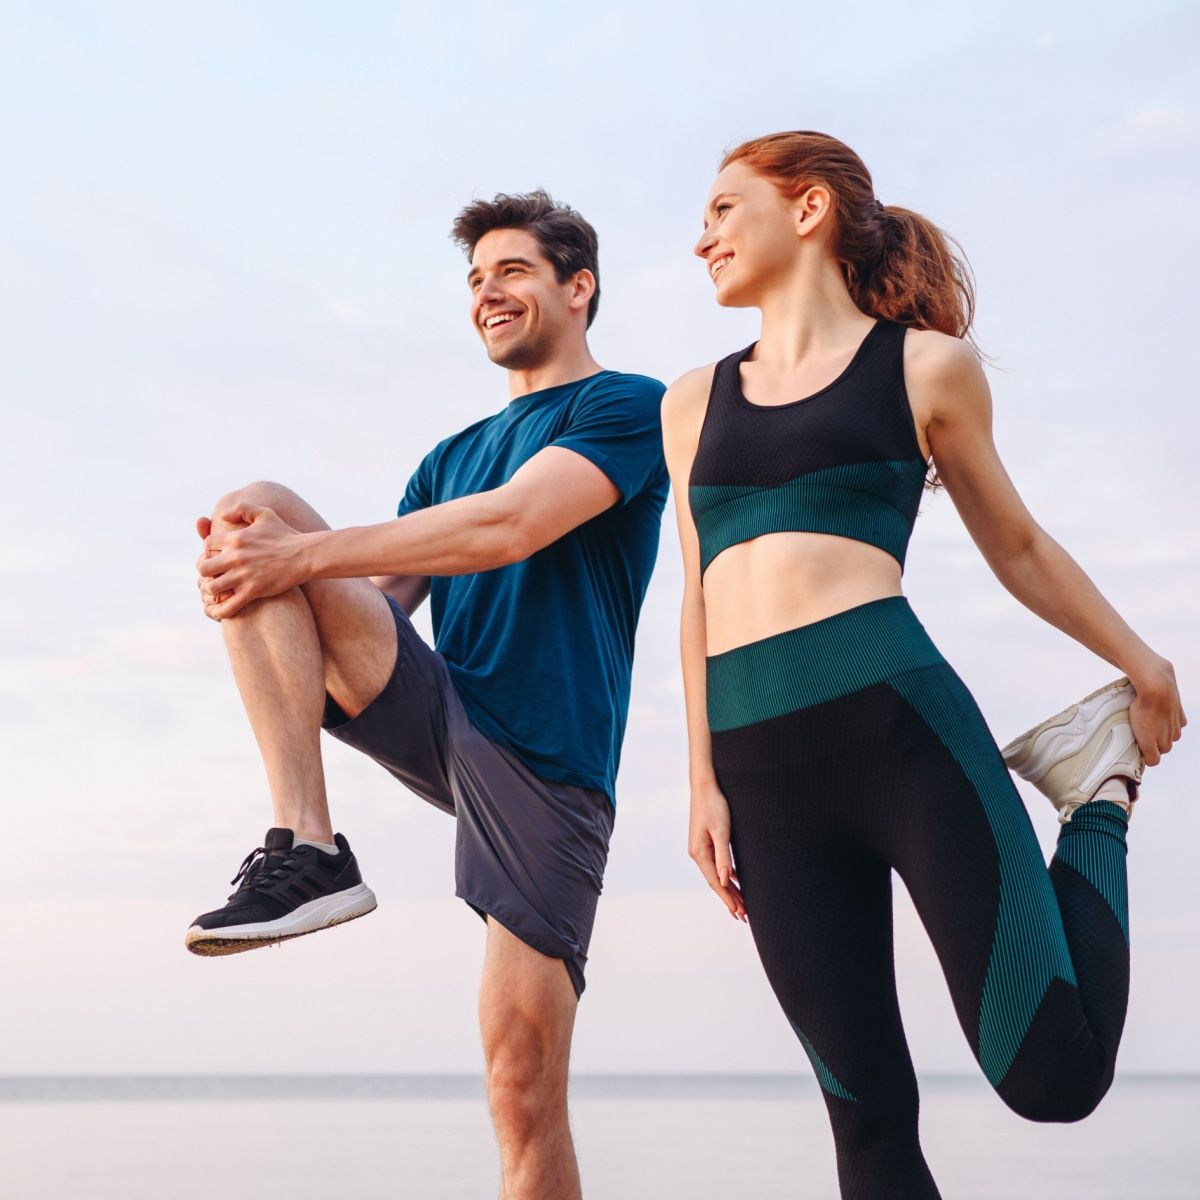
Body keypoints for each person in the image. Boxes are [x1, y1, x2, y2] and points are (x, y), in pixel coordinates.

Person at [660, 131, 1185, 1199]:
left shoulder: (922, 368)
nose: (700, 234)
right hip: (760, 775)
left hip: (898, 734)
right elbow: (696, 595)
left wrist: (1143, 664)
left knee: (1054, 1076)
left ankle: (1094, 798)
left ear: (805, 210)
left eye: (723, 208)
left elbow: (1019, 546)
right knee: (867, 1129)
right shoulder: (689, 401)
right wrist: (702, 782)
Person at [188, 190, 668, 1200]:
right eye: (477, 279)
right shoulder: (445, 459)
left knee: (519, 1082)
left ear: (578, 288)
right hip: (442, 712)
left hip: (548, 761)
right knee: (252, 513)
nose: (489, 293)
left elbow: (507, 528)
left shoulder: (625, 406)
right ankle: (308, 845)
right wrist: (258, 580)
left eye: (514, 272)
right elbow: (380, 607)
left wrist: (301, 556)